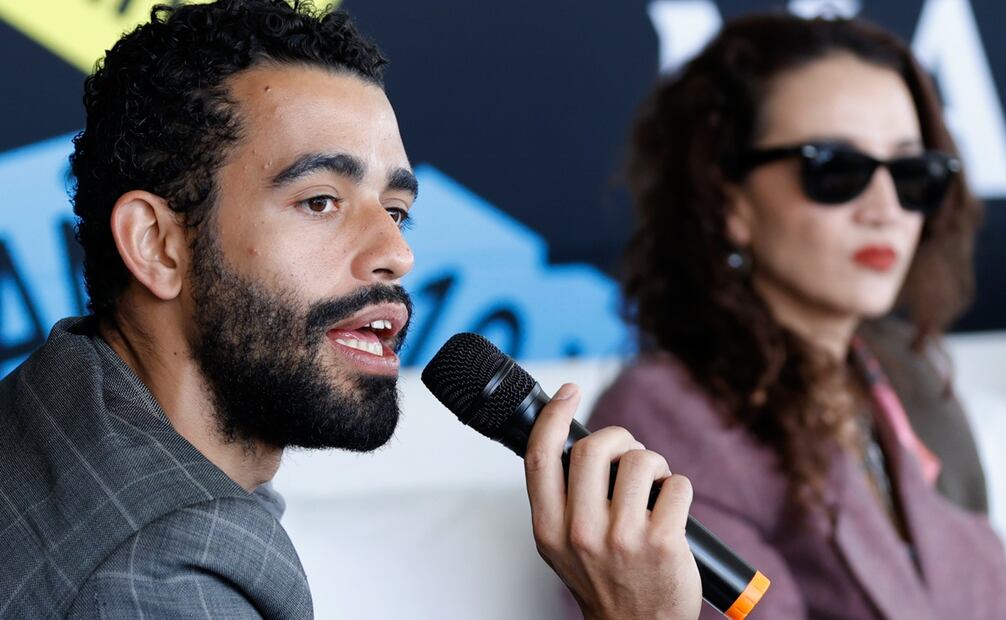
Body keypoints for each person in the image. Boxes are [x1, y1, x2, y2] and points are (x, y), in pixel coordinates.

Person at [0, 1, 701, 618]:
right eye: (321, 201)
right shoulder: (155, 566)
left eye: (396, 209)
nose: (396, 253)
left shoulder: (53, 413)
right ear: (157, 245)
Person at [588, 13, 1006, 620]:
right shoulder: (660, 421)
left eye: (913, 174)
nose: (886, 208)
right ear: (730, 201)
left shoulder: (913, 380)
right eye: (835, 169)